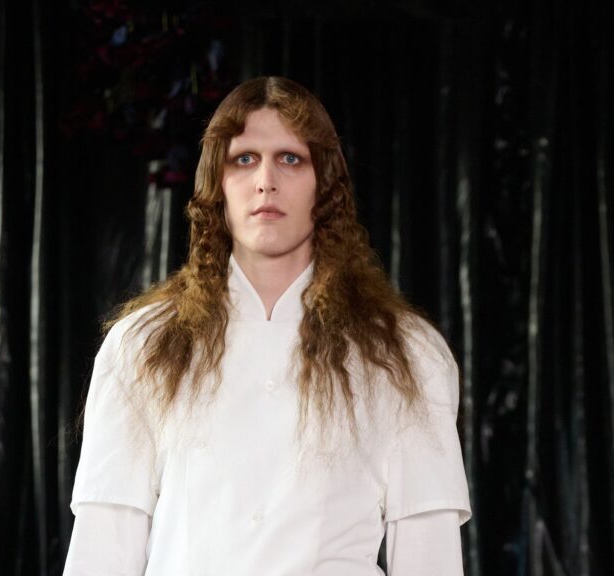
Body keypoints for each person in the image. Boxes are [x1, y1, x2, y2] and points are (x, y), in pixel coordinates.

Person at [63, 76, 471, 575]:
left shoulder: (405, 353)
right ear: (216, 184)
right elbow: (103, 548)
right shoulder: (143, 345)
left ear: (326, 183)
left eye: (291, 158)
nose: (265, 181)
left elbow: (430, 557)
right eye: (244, 159)